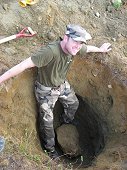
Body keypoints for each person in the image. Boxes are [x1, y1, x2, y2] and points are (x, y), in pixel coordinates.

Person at [0, 24, 111, 160]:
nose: (78, 46)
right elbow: (24, 65)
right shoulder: (50, 52)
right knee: (47, 122)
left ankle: (66, 122)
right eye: (76, 41)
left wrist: (100, 50)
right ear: (65, 38)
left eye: (80, 42)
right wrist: (1, 79)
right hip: (45, 90)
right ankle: (50, 149)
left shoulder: (74, 48)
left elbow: (87, 49)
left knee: (73, 104)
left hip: (61, 84)